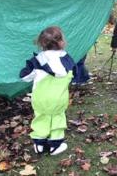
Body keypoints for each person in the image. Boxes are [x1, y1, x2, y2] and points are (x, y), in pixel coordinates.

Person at [19, 26, 75, 155]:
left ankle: (39, 144)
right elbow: (74, 75)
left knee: (41, 117)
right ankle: (55, 146)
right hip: (59, 98)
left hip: (40, 98)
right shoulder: (67, 59)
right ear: (61, 41)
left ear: (41, 43)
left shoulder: (37, 60)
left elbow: (25, 77)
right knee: (57, 118)